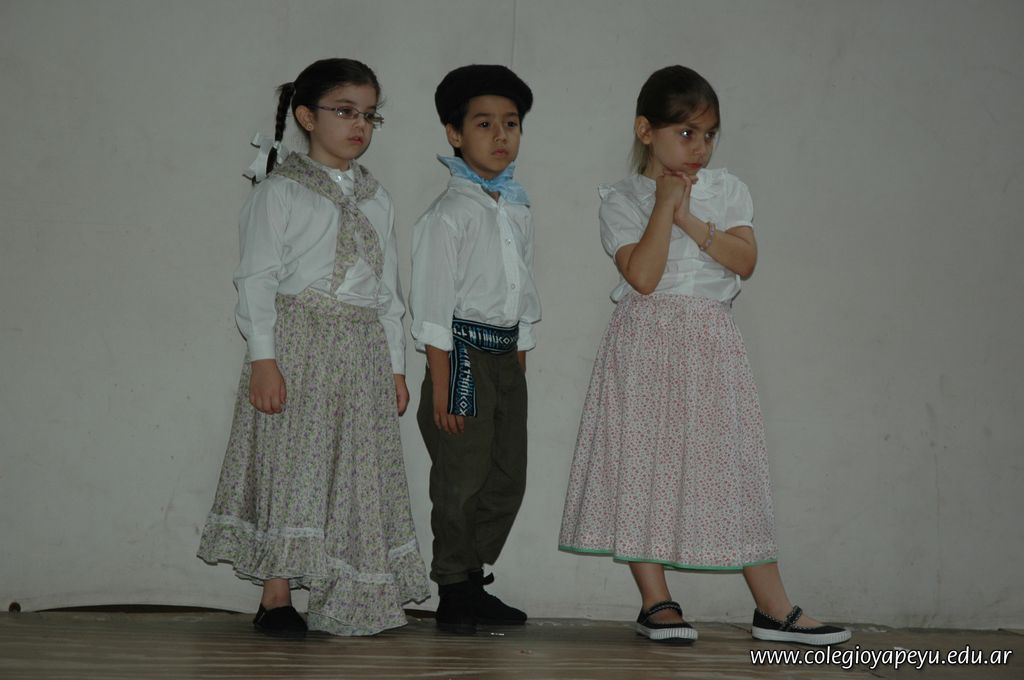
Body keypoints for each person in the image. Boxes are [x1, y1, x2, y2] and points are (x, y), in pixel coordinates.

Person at [558, 65, 851, 646]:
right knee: (640, 462)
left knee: (732, 470)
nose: (700, 147)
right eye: (686, 133)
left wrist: (687, 213)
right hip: (644, 342)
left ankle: (773, 608)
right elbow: (643, 277)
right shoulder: (620, 199)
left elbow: (745, 261)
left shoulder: (728, 189)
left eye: (709, 134)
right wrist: (662, 204)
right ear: (646, 130)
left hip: (711, 341)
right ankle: (656, 601)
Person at [197, 58, 429, 637]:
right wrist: (264, 359)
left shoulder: (377, 198)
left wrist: (396, 367)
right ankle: (276, 595)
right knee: (294, 460)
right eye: (345, 111)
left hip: (361, 348)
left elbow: (388, 293)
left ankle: (348, 586)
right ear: (306, 116)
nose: (360, 125)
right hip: (300, 343)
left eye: (369, 115)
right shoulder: (280, 193)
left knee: (355, 468)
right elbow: (256, 280)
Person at [409, 64, 540, 635]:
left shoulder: (516, 208)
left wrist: (519, 365)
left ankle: (471, 576)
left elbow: (523, 291)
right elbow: (433, 305)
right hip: (461, 359)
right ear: (455, 133)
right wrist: (442, 385)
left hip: (506, 359)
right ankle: (452, 589)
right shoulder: (448, 214)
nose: (501, 135)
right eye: (484, 123)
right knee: (459, 481)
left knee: (507, 478)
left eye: (511, 123)